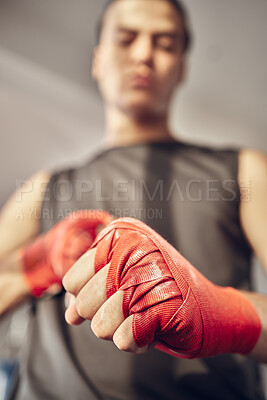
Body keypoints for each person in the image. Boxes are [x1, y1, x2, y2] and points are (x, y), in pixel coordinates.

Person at [0, 0, 267, 399]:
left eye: (165, 43)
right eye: (126, 39)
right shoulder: (43, 188)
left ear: (181, 68)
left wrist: (222, 312)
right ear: (97, 60)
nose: (143, 54)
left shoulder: (244, 170)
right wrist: (33, 268)